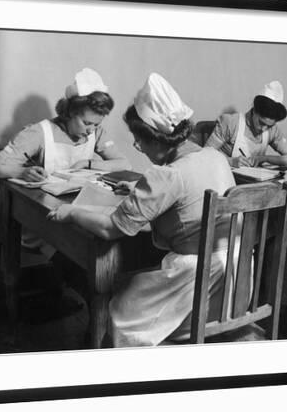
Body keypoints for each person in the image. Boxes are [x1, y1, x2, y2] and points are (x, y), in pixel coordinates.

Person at [47, 73, 237, 347]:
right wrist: (140, 189)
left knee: (117, 310)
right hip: (236, 281)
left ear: (157, 140)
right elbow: (188, 197)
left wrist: (71, 213)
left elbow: (110, 228)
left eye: (139, 140)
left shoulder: (165, 176)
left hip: (196, 288)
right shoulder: (215, 156)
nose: (137, 147)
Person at [0, 67, 130, 182]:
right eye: (86, 123)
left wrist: (89, 164)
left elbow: (124, 164)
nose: (90, 130)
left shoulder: (96, 132)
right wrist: (22, 172)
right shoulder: (39, 132)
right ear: (70, 112)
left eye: (96, 124)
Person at [205, 80, 287, 168]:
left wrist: (264, 158)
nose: (264, 129)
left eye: (269, 126)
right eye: (261, 123)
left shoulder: (273, 130)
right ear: (254, 110)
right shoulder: (231, 123)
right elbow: (205, 155)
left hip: (253, 180)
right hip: (224, 177)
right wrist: (231, 161)